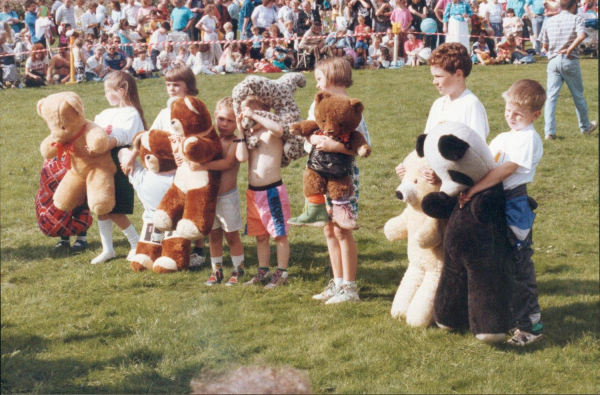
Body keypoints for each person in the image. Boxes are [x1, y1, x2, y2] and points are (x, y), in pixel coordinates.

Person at [458, 79, 546, 346]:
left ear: (535, 115)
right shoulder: (503, 137)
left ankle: (530, 326)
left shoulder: (528, 139)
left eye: (518, 114)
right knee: (496, 262)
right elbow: (484, 163)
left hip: (513, 204)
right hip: (491, 202)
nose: (511, 117)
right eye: (508, 111)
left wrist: (473, 190)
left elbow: (504, 171)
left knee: (519, 265)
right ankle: (504, 316)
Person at [291, 57, 371, 304]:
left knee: (342, 228)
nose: (316, 85)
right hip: (321, 175)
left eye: (319, 79)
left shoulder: (351, 108)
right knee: (327, 228)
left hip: (343, 177)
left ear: (334, 76)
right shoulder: (319, 105)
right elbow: (307, 138)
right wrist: (312, 141)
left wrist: (336, 145)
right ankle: (337, 284)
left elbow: (362, 146)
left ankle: (350, 287)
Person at [395, 43, 489, 181]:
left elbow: (477, 153)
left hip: (461, 185)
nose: (434, 82)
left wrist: (443, 175)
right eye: (433, 77)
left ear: (458, 74)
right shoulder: (438, 104)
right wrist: (409, 166)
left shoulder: (471, 104)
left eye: (439, 76)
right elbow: (427, 145)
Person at [182, 97, 245, 286]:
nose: (224, 124)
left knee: (232, 235)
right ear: (215, 116)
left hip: (227, 197)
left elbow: (228, 163)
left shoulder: (235, 141)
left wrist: (202, 165)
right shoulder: (211, 140)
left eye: (230, 121)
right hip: (209, 196)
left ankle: (238, 269)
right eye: (221, 119)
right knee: (214, 235)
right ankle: (216, 270)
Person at [235, 96, 291, 289]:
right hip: (254, 193)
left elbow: (279, 129)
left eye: (249, 112)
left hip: (272, 191)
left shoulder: (269, 132)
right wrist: (241, 132)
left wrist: (256, 116)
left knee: (279, 234)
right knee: (260, 236)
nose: (246, 116)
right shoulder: (250, 136)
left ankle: (282, 271)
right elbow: (241, 157)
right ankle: (263, 270)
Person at [90, 71, 146, 264]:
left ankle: (135, 241)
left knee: (114, 207)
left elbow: (123, 136)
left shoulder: (131, 113)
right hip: (100, 162)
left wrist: (105, 143)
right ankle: (108, 249)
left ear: (123, 90)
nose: (106, 95)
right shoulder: (106, 113)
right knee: (100, 205)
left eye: (109, 91)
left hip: (118, 161)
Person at [538, 0, 597, 140]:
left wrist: (552, 51)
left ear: (559, 6)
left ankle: (549, 132)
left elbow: (544, 45)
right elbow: (581, 36)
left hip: (553, 61)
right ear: (574, 5)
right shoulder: (576, 18)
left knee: (551, 97)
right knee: (578, 95)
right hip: (569, 60)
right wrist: (570, 48)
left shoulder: (549, 21)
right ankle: (585, 127)